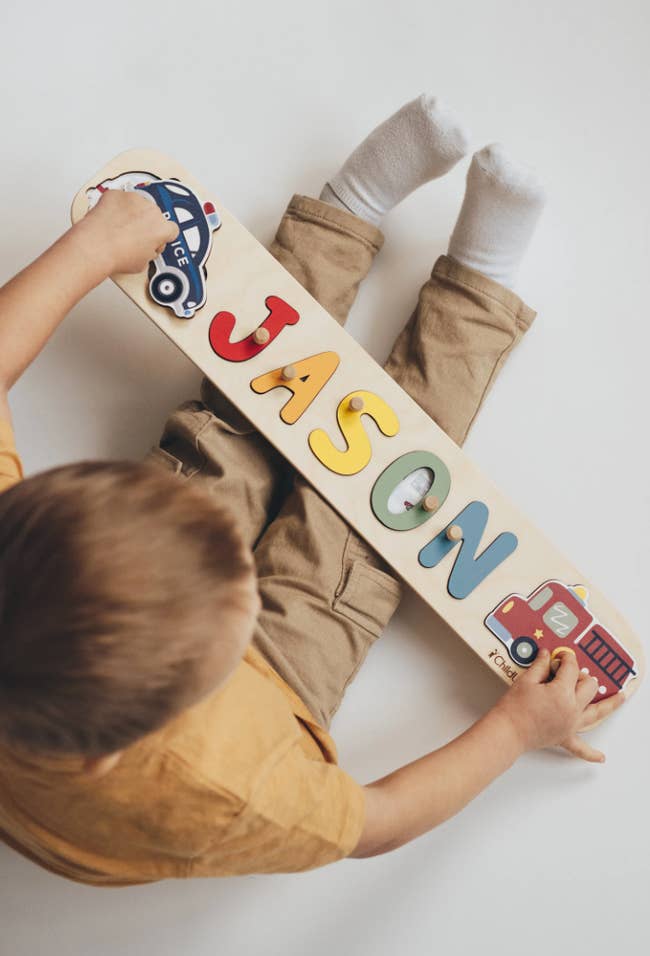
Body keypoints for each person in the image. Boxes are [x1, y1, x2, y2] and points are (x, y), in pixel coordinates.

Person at [0, 95, 622, 885]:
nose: (247, 568)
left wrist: (91, 248)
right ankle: (477, 288)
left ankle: (349, 211)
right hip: (278, 698)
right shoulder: (227, 794)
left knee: (235, 423)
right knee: (384, 506)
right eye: (233, 595)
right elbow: (381, 822)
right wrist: (517, 727)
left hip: (106, 670)